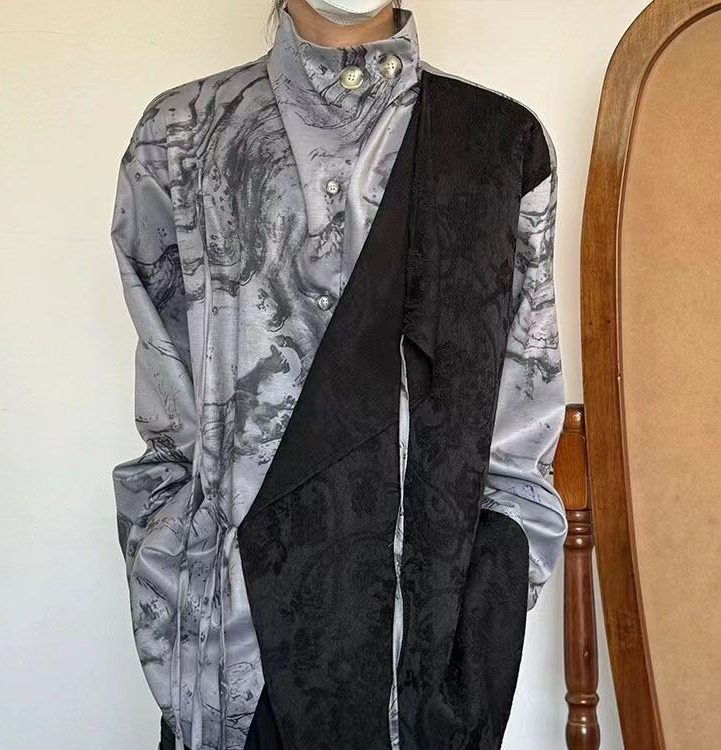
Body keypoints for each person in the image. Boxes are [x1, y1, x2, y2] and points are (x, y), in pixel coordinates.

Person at [109, 1, 567, 748]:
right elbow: (171, 430)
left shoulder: (501, 143)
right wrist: (186, 616)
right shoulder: (181, 137)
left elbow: (521, 435)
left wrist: (478, 628)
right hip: (236, 672)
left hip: (428, 679)